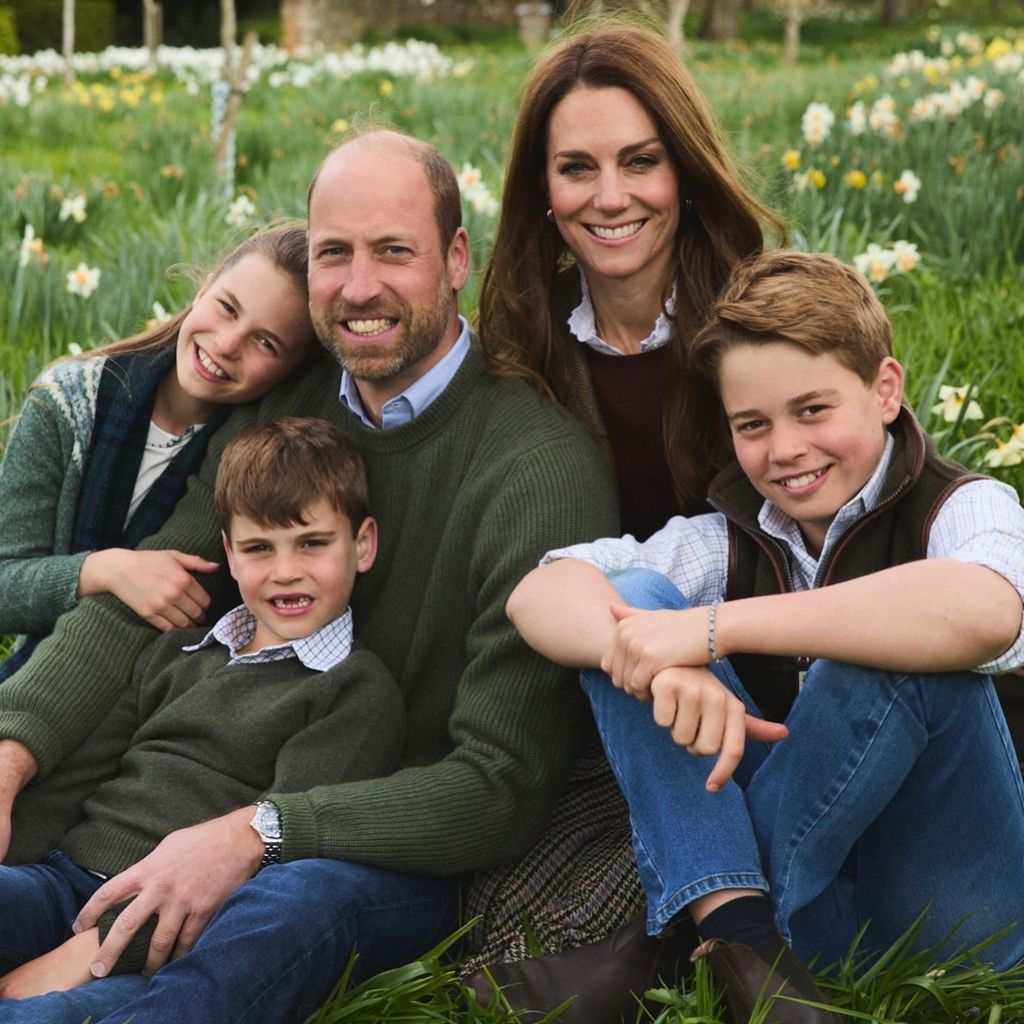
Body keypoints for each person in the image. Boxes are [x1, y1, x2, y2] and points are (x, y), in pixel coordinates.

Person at [0, 130, 617, 1024]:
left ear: (454, 259)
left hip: (379, 851)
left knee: (283, 912)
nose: (358, 286)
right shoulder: (284, 403)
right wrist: (12, 751)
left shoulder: (537, 470)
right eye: (334, 253)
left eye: (393, 251)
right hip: (167, 827)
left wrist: (260, 833)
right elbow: (146, 601)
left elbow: (498, 785)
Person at [506, 250, 1024, 1023]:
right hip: (808, 924)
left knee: (888, 635)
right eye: (753, 424)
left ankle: (692, 941)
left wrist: (709, 632)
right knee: (631, 600)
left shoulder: (965, 507)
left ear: (887, 390)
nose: (784, 450)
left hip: (954, 913)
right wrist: (659, 662)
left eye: (812, 410)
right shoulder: (735, 536)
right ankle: (747, 946)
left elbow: (988, 612)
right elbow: (538, 593)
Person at [0, 416, 404, 1006]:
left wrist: (86, 955)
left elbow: (268, 860)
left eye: (312, 543)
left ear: (361, 544)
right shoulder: (178, 651)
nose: (286, 570)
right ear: (230, 556)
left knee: (53, 1016)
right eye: (259, 548)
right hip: (63, 885)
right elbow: (76, 781)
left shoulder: (354, 692)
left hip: (162, 944)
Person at [478, 22, 785, 541]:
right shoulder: (515, 344)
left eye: (640, 161)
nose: (612, 197)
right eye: (577, 168)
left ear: (684, 170)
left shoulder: (772, 321)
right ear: (543, 188)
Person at [0, 221, 317, 680]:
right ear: (204, 287)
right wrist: (103, 571)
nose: (227, 345)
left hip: (170, 695)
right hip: (42, 680)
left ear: (290, 372)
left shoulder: (264, 456)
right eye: (227, 308)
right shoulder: (70, 404)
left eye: (265, 342)